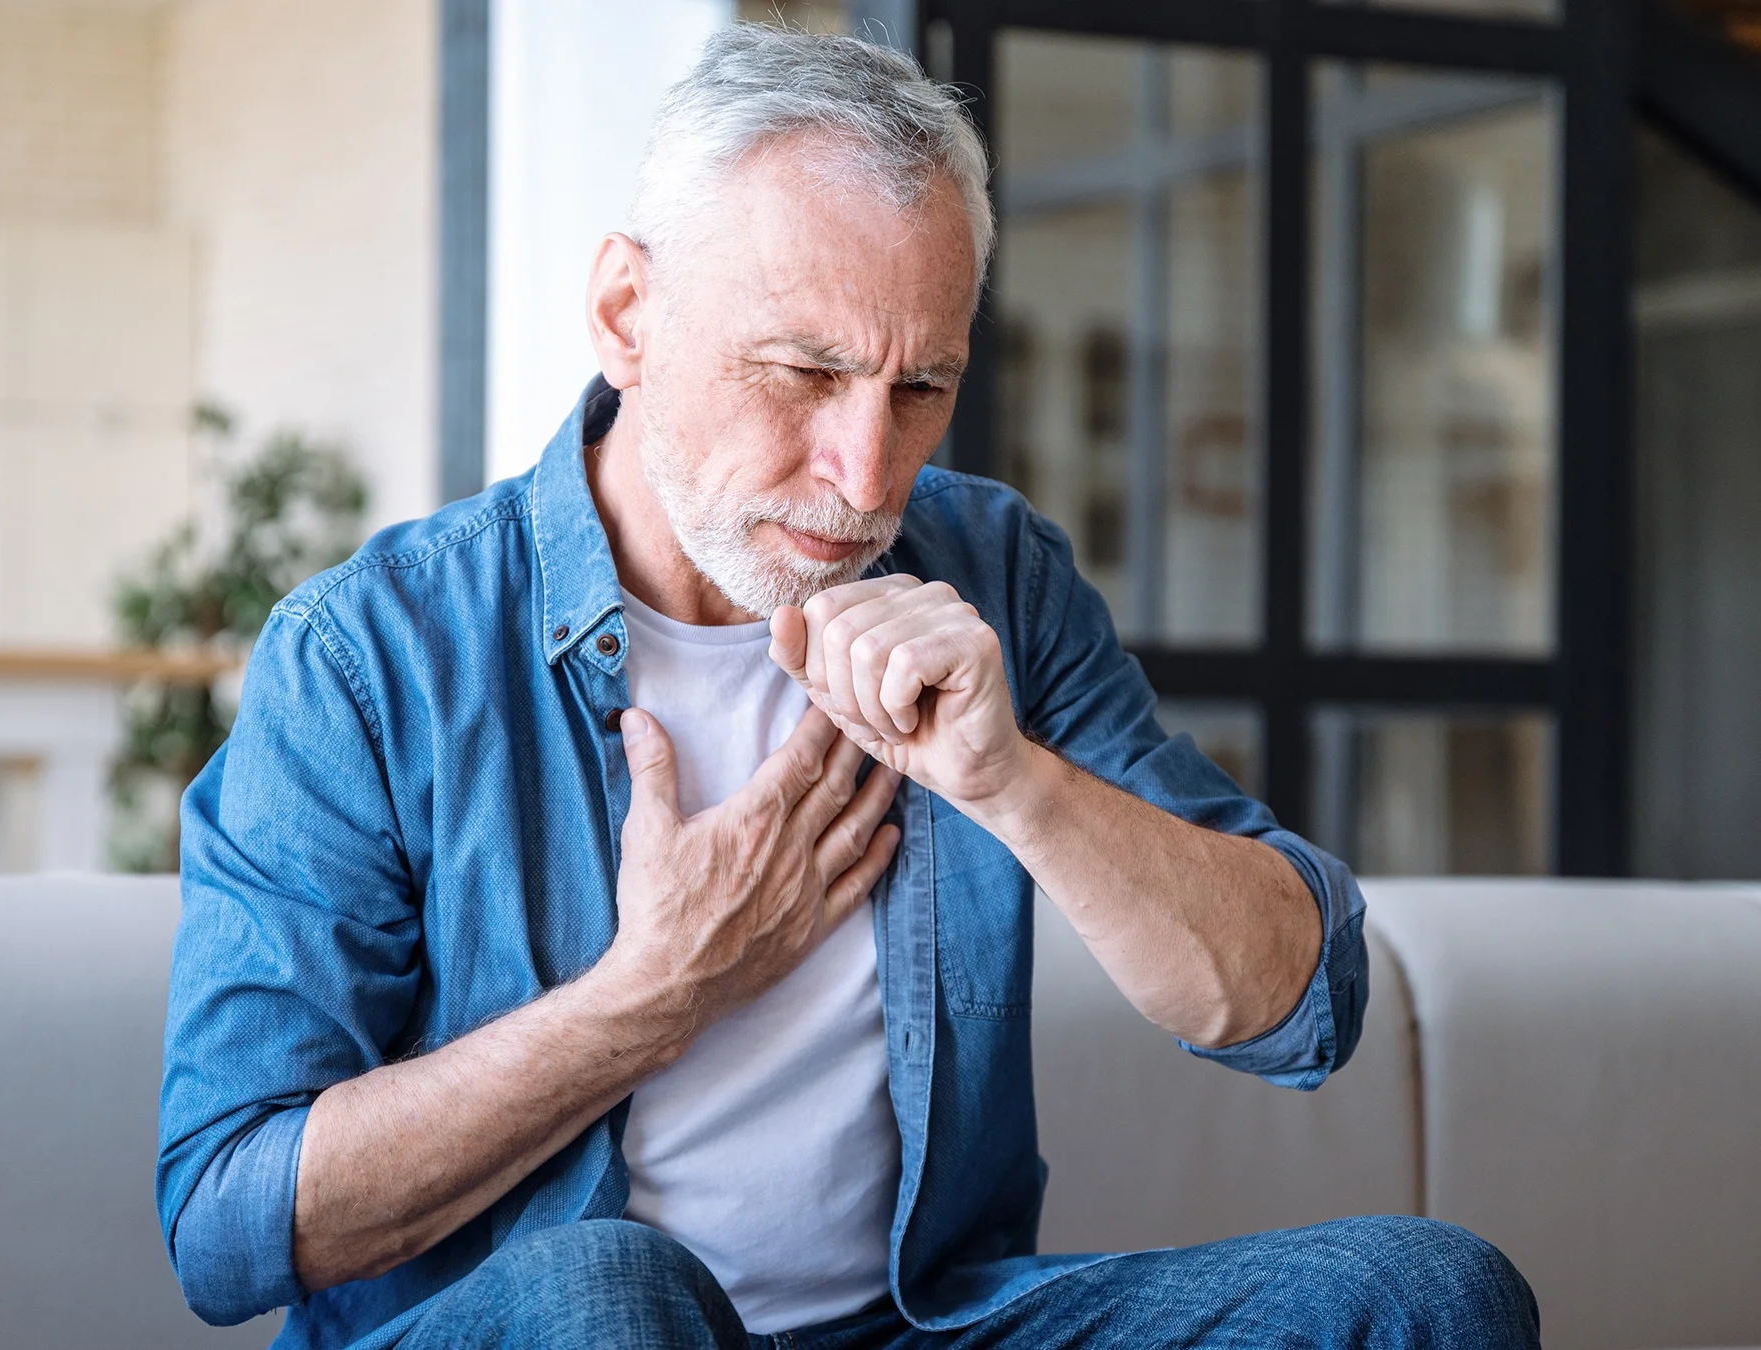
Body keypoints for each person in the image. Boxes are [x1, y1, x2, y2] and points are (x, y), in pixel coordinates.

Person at [158, 24, 1538, 1350]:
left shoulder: (989, 572)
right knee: (609, 1295)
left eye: (921, 386)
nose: (869, 478)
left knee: (1429, 1295)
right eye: (806, 373)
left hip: (911, 1326)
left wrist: (1019, 783)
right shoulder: (373, 654)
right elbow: (227, 1222)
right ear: (627, 313)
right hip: (561, 1326)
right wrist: (648, 996)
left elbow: (1303, 1002)